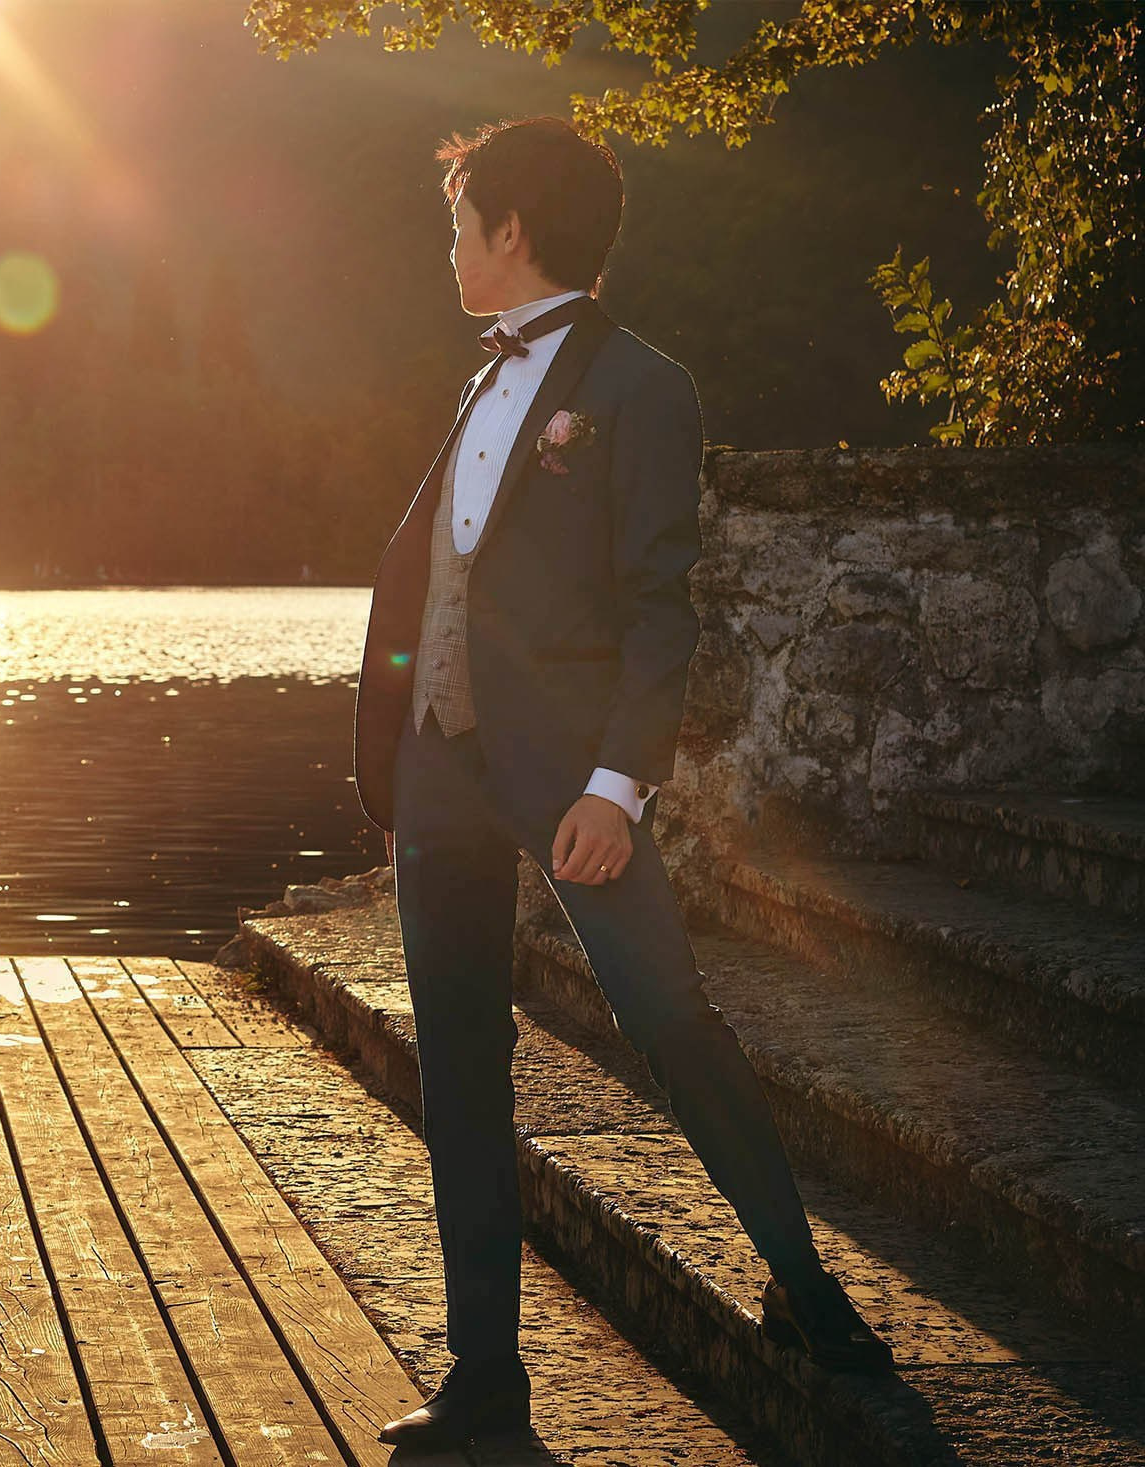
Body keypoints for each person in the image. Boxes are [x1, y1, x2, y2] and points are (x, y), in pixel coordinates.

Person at [352, 119, 891, 1449]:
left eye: (461, 220)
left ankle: (808, 1288)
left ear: (512, 230)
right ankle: (486, 1384)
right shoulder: (480, 385)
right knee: (462, 1067)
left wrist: (616, 784)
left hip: (572, 779)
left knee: (669, 1015)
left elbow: (663, 614)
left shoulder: (647, 387)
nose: (453, 246)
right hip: (442, 774)